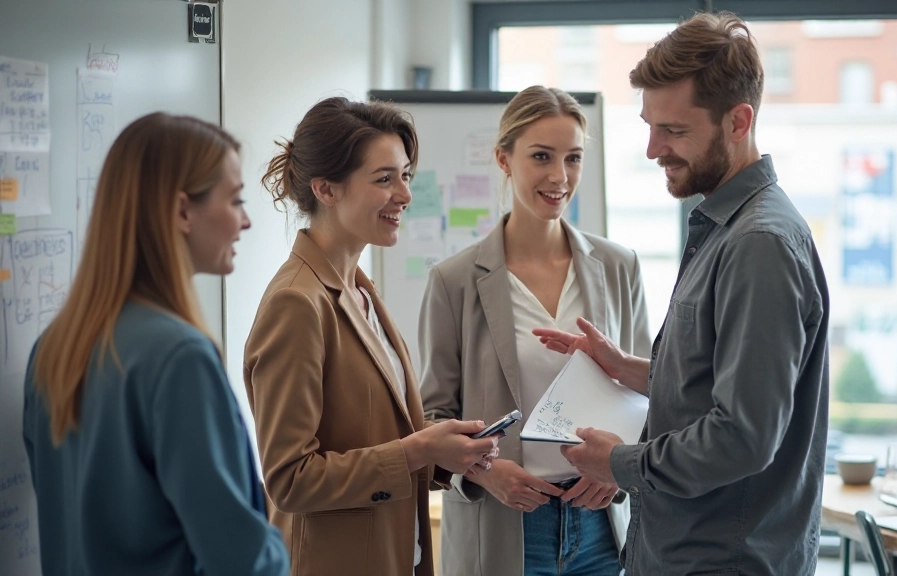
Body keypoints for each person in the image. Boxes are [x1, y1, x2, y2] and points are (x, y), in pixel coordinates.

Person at [535, 12, 831, 576]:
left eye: (673, 130)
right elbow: (719, 384)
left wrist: (619, 464)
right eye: (649, 126)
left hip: (724, 561)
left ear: (738, 122)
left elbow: (743, 437)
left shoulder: (759, 244)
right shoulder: (724, 228)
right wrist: (626, 369)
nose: (653, 149)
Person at [22, 113, 289, 576]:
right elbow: (242, 562)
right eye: (235, 200)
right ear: (183, 211)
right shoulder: (179, 357)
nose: (245, 221)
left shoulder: (52, 349)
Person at [244, 97, 500, 576]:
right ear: (326, 190)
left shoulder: (360, 290)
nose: (405, 194)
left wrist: (447, 454)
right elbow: (290, 480)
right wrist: (421, 449)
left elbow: (376, 437)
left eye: (406, 175)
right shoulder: (296, 303)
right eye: (384, 179)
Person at [419, 86, 652, 576]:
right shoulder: (454, 280)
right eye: (542, 156)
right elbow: (433, 417)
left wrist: (621, 471)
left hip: (601, 526)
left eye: (573, 158)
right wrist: (485, 472)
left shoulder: (619, 266)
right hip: (503, 524)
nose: (559, 176)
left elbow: (647, 394)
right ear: (504, 159)